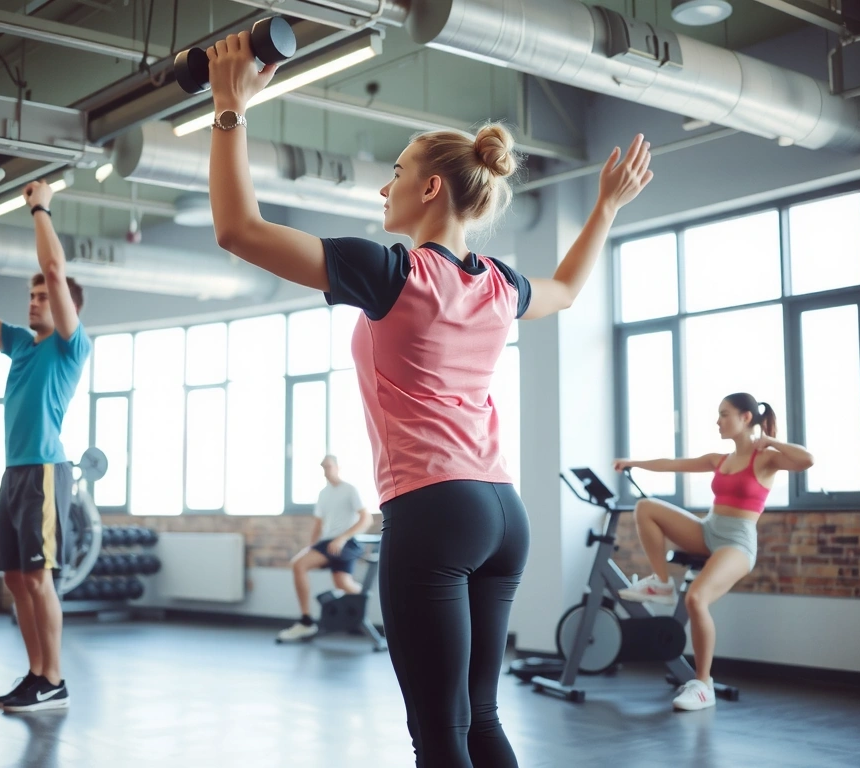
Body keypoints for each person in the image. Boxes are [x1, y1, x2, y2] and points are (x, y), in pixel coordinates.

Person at [202, 31, 652, 767]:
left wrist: (229, 111)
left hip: (436, 510)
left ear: (432, 188)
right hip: (503, 513)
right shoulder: (500, 283)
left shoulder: (390, 272)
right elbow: (567, 291)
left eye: (398, 171)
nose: (385, 187)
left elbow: (237, 231)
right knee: (479, 719)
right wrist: (604, 205)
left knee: (439, 732)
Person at [0, 181, 90, 714]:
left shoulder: (69, 345)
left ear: (63, 308)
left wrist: (40, 208)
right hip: (14, 473)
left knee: (38, 577)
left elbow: (55, 272)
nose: (34, 302)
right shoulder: (18, 345)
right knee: (14, 579)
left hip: (46, 471)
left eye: (41, 298)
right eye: (29, 297)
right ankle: (36, 674)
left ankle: (53, 678)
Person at [613, 393, 814, 711]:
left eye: (724, 414)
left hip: (737, 542)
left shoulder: (765, 459)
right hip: (707, 531)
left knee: (696, 598)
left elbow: (806, 460)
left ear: (746, 418)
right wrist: (633, 463)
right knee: (646, 507)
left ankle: (703, 685)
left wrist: (771, 441)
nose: (718, 421)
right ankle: (662, 583)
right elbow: (672, 464)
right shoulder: (718, 460)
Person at [278, 455, 372, 642]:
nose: (326, 470)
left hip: (345, 542)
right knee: (302, 566)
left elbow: (366, 519)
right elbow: (318, 524)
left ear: (337, 467)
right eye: (323, 467)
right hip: (326, 542)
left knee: (340, 583)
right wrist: (310, 547)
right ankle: (306, 621)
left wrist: (342, 538)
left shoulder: (350, 490)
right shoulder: (323, 494)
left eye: (329, 466)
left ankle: (313, 622)